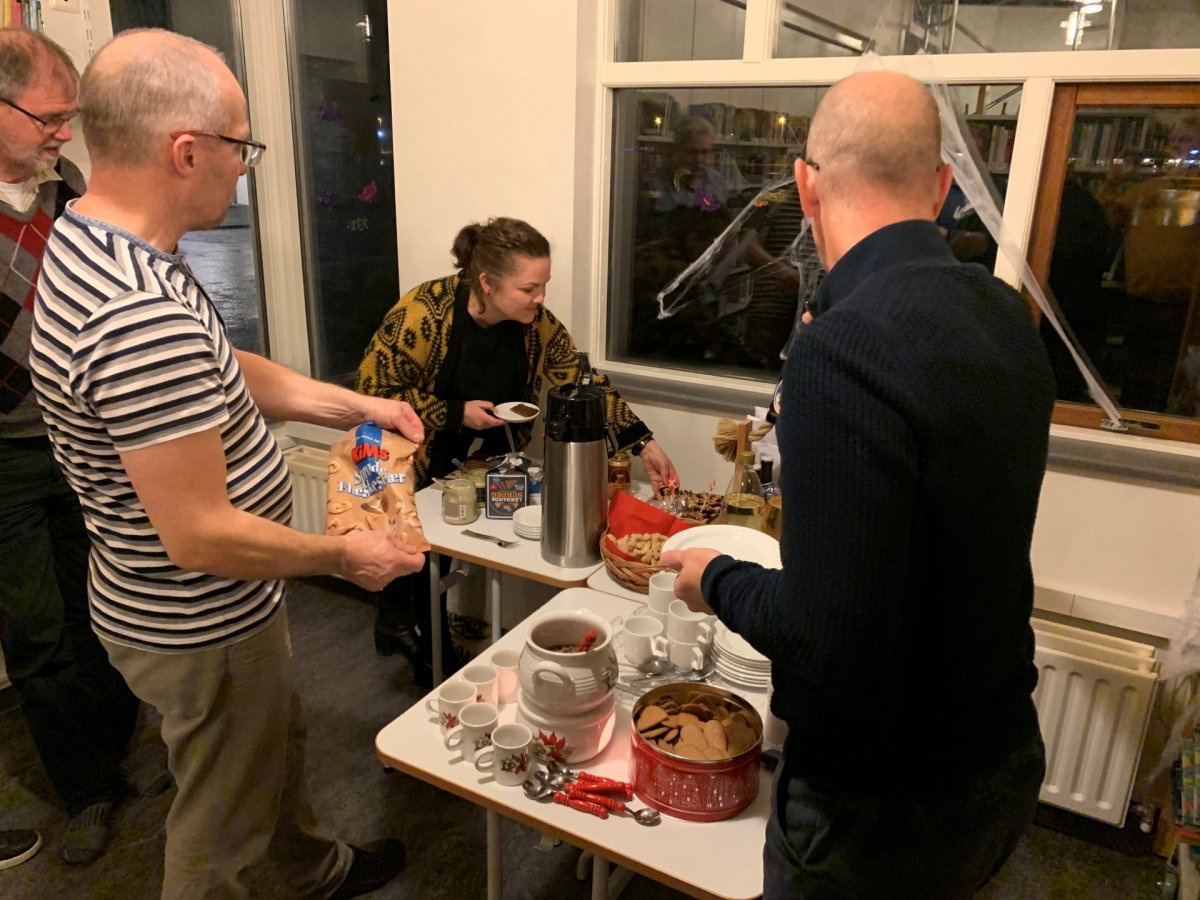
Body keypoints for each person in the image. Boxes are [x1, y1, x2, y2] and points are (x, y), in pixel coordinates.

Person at [29, 29, 425, 899]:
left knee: (267, 752)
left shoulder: (97, 237)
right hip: (198, 619)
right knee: (221, 825)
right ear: (185, 151)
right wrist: (343, 555)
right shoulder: (136, 314)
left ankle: (311, 872)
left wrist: (352, 405)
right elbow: (201, 535)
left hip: (186, 599)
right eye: (241, 146)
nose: (245, 166)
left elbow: (217, 364)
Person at [663, 71, 1056, 899]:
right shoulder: (1004, 315)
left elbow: (826, 639)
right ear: (942, 187)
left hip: (881, 809)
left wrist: (716, 579)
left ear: (804, 185)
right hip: (1000, 758)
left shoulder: (844, 350)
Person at [357, 217, 678, 684]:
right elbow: (373, 390)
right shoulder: (425, 311)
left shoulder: (536, 325)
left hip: (480, 461)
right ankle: (418, 642)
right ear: (487, 282)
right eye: (530, 288)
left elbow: (583, 381)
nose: (541, 298)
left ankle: (417, 635)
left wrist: (641, 440)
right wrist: (455, 412)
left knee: (442, 553)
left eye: (544, 285)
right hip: (414, 454)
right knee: (418, 553)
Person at [0, 26, 159, 866]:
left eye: (71, 116)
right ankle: (86, 787)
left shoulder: (64, 188)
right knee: (36, 632)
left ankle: (123, 748)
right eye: (49, 117)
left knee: (104, 600)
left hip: (80, 439)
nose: (65, 133)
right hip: (5, 462)